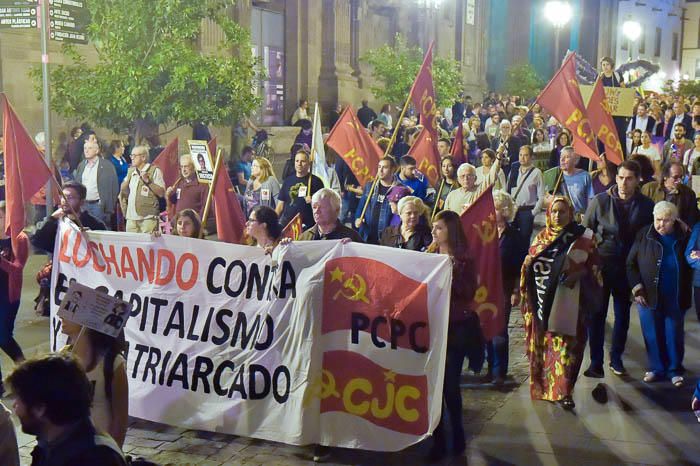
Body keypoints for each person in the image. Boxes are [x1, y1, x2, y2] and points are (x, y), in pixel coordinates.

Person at [517, 196, 602, 409]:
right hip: (544, 305)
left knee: (567, 352)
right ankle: (547, 389)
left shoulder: (584, 238)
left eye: (562, 211)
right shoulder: (541, 238)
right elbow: (530, 266)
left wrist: (580, 273)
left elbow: (596, 270)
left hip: (571, 305)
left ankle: (565, 392)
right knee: (548, 351)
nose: (557, 215)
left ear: (570, 213)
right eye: (554, 211)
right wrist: (527, 264)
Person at [583, 159, 654, 378]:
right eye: (621, 177)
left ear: (637, 180)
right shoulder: (600, 201)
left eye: (629, 179)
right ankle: (595, 362)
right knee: (597, 315)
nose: (624, 183)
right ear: (616, 177)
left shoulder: (646, 205)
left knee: (622, 316)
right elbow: (587, 231)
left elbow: (649, 236)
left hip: (628, 268)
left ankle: (616, 358)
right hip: (602, 266)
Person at [7, 354, 127, 465]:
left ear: (40, 408)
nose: (15, 406)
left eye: (19, 398)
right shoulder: (51, 443)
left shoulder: (95, 458)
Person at [426, 210, 477, 461]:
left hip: (455, 329)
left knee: (449, 384)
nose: (434, 232)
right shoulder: (429, 255)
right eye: (433, 228)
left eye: (439, 228)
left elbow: (468, 292)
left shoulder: (464, 260)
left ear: (451, 231)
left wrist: (450, 270)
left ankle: (457, 433)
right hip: (431, 327)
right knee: (434, 385)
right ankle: (438, 440)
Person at [628, 201, 691, 387]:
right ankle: (656, 368)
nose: (661, 224)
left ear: (675, 220)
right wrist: (637, 288)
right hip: (647, 295)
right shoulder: (644, 234)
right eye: (658, 220)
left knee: (674, 334)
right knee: (652, 333)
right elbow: (630, 264)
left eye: (666, 221)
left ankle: (674, 370)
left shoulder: (684, 237)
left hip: (676, 295)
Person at [59, 317, 129, 447]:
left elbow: (120, 419)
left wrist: (112, 453)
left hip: (100, 449)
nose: (61, 316)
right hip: (69, 448)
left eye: (72, 313)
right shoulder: (62, 356)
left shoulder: (113, 363)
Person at [485, 192, 523, 385]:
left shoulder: (514, 236)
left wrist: (516, 291)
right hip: (484, 289)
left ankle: (500, 371)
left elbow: (519, 266)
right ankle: (490, 368)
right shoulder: (484, 232)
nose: (493, 211)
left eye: (497, 208)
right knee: (486, 331)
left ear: (505, 211)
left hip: (504, 288)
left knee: (499, 331)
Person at [31, 181, 107, 253]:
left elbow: (104, 249)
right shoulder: (57, 222)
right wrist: (52, 219)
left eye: (70, 197)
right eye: (63, 196)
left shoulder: (95, 224)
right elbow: (37, 241)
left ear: (82, 202)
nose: (65, 200)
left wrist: (89, 237)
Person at [0, 201, 27, 396]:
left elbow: (17, 269)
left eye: (1, 217)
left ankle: (24, 370)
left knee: (3, 336)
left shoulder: (19, 239)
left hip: (8, 295)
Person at [119, 145, 165, 233]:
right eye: (131, 156)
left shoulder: (154, 171)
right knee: (131, 245)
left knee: (148, 245)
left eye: (134, 156)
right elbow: (123, 190)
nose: (132, 158)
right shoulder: (131, 171)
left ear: (143, 157)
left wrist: (148, 182)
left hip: (148, 219)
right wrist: (127, 180)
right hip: (131, 218)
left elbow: (161, 193)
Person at [506, 145, 544, 250]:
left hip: (527, 211)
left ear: (531, 157)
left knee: (524, 240)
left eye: (526, 155)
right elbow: (507, 189)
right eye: (520, 155)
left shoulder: (537, 173)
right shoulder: (514, 170)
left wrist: (533, 212)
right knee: (510, 239)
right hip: (513, 209)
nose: (522, 158)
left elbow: (541, 196)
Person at [74, 139, 119, 225]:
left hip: (98, 206)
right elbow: (77, 185)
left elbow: (114, 187)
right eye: (85, 148)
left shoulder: (107, 166)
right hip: (84, 205)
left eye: (90, 148)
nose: (86, 151)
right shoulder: (82, 165)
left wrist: (109, 206)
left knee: (100, 231)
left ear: (97, 150)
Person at [355, 156, 399, 244]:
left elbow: (399, 218)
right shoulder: (370, 186)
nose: (380, 170)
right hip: (367, 235)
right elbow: (361, 207)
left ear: (393, 169)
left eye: (385, 167)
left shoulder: (399, 190)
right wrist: (357, 219)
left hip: (387, 239)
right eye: (379, 167)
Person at [641, 161, 698, 228]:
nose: (679, 181)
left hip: (676, 232)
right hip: (652, 230)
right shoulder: (649, 189)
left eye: (682, 177)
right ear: (665, 176)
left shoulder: (688, 193)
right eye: (675, 177)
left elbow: (693, 218)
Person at [276, 149, 324, 229]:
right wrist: (273, 220)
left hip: (309, 226)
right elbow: (280, 205)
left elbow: (323, 204)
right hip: (289, 225)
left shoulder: (316, 181)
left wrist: (313, 200)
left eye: (303, 161)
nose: (299, 164)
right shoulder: (287, 181)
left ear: (309, 163)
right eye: (297, 161)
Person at [298, 188, 362, 241]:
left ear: (336, 210)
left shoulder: (352, 237)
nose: (316, 211)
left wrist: (353, 249)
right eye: (314, 207)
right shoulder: (304, 238)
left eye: (322, 207)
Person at [550, 147, 594, 219]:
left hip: (579, 218)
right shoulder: (555, 175)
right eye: (561, 157)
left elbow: (591, 198)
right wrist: (551, 199)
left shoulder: (585, 176)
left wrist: (588, 216)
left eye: (567, 157)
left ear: (575, 160)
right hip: (560, 219)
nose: (562, 160)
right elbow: (544, 200)